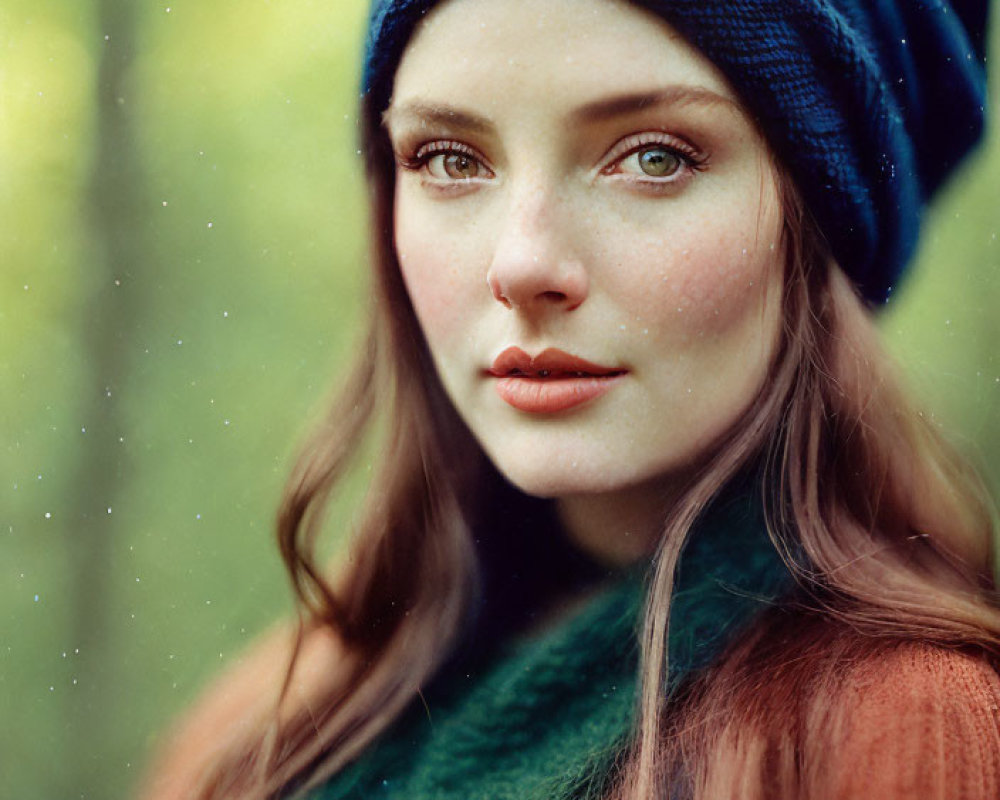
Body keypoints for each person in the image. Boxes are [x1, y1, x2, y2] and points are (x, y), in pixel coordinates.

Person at [141, 0, 1000, 797]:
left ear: (825, 220)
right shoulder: (270, 722)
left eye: (654, 157)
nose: (522, 265)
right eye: (450, 158)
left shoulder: (907, 734)